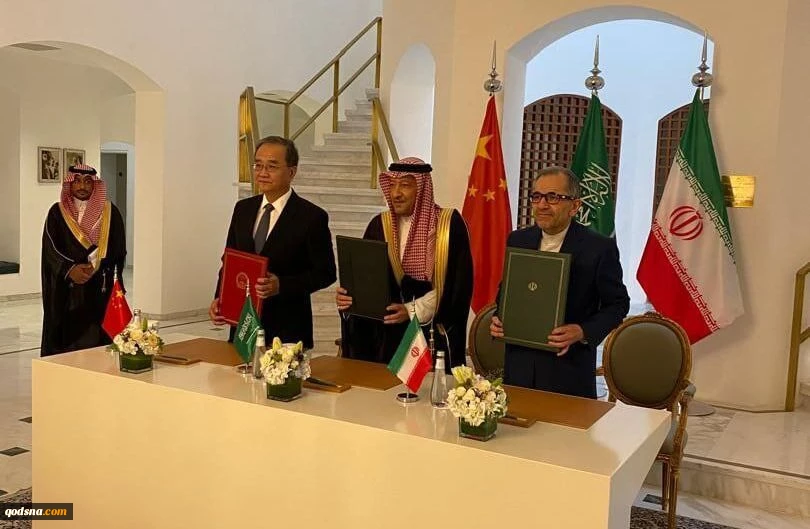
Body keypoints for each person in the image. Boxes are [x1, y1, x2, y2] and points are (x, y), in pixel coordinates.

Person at [490, 166, 629, 398]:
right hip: (520, 368)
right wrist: (499, 318)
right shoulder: (518, 240)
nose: (542, 205)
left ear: (575, 206)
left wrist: (582, 331)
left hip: (568, 372)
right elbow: (507, 292)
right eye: (537, 196)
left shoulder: (598, 248)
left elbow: (618, 305)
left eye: (553, 197)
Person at [336, 157, 473, 370]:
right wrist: (349, 298)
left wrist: (411, 311)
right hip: (387, 338)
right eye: (392, 185)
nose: (396, 193)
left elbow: (457, 287)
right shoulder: (379, 225)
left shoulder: (448, 225)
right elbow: (367, 280)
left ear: (422, 189)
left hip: (429, 334)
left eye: (405, 185)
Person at [209, 136, 336, 349]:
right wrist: (220, 298)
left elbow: (326, 273)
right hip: (243, 325)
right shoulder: (243, 209)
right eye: (258, 165)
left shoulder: (311, 216)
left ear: (291, 172)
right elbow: (229, 260)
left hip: (287, 330)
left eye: (272, 166)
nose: (263, 173)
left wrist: (282, 285)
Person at [41, 164, 127, 356]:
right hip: (67, 289)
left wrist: (97, 266)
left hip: (100, 287)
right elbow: (50, 249)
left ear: (95, 185)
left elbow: (118, 248)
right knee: (66, 340)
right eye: (77, 181)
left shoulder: (110, 212)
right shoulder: (57, 212)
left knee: (98, 341)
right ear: (70, 184)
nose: (82, 186)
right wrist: (70, 269)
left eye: (88, 182)